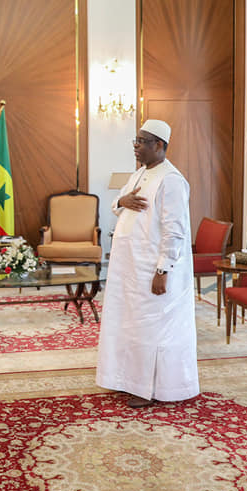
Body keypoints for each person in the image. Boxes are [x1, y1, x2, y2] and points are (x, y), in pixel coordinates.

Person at [96, 119, 199, 408]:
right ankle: (125, 379)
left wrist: (162, 269)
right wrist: (123, 202)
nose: (136, 147)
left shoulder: (172, 180)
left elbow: (175, 230)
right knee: (129, 324)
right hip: (130, 268)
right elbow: (117, 204)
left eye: (141, 142)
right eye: (135, 141)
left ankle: (149, 388)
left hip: (153, 269)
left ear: (160, 145)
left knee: (150, 327)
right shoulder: (140, 173)